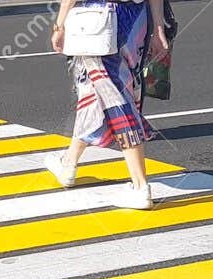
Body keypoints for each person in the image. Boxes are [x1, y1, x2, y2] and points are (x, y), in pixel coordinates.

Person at [47, 0, 171, 209]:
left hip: (99, 21)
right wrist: (159, 27)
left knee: (115, 97)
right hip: (135, 22)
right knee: (98, 90)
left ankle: (140, 187)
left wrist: (59, 25)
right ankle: (68, 163)